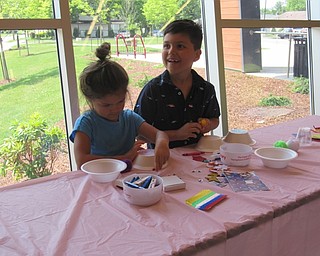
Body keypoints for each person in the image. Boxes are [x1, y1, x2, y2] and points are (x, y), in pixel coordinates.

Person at [69, 42, 170, 170]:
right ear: (90, 99)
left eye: (120, 101)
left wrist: (161, 142)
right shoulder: (86, 123)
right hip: (98, 180)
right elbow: (82, 161)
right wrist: (124, 158)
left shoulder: (129, 118)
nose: (115, 109)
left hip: (127, 180)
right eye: (106, 105)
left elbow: (160, 134)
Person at [134, 19, 220, 148]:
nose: (171, 51)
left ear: (196, 54)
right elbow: (139, 133)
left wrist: (208, 124)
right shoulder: (153, 90)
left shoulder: (205, 89)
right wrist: (177, 134)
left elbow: (214, 119)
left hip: (197, 155)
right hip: (162, 159)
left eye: (180, 46)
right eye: (166, 46)